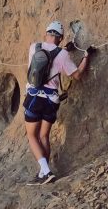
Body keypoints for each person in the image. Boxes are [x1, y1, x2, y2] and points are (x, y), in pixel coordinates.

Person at [24, 21, 90, 185]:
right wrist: (86, 57)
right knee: (44, 136)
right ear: (60, 38)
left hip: (33, 98)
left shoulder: (34, 47)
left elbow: (43, 61)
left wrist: (62, 50)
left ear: (46, 34)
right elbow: (77, 74)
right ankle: (43, 173)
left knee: (32, 136)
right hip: (51, 100)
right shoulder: (62, 55)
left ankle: (46, 172)